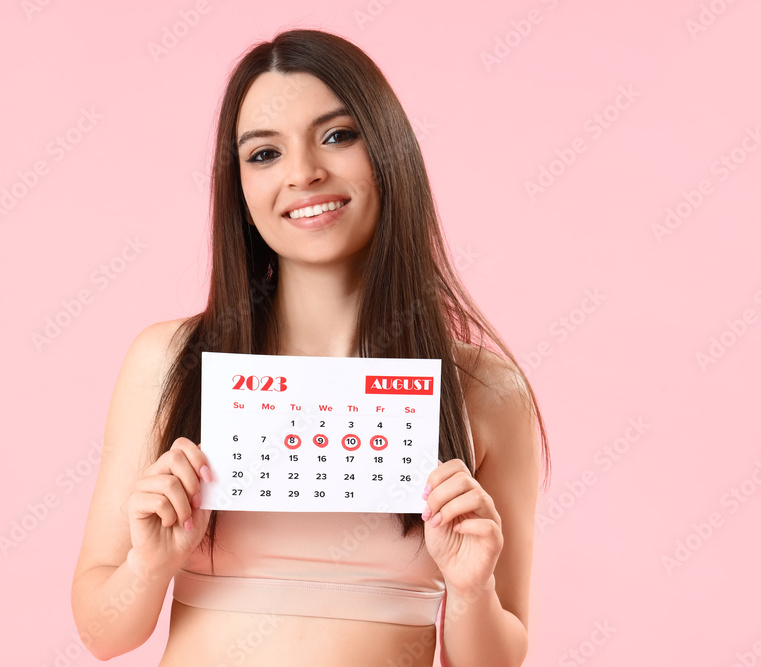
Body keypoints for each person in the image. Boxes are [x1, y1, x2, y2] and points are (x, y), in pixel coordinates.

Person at [70, 28, 551, 667]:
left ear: (389, 153)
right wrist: (149, 563)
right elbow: (104, 634)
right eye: (264, 154)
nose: (304, 173)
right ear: (237, 189)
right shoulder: (169, 362)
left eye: (337, 136)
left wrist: (471, 588)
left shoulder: (487, 393)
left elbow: (493, 661)